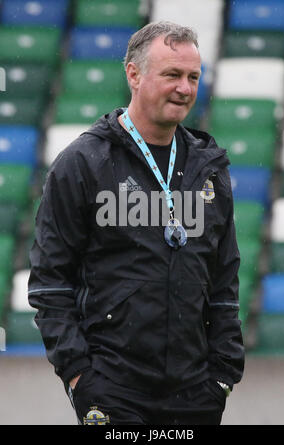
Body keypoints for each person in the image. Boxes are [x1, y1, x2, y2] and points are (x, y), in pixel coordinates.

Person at [28, 21, 244, 425]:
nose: (184, 88)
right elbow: (50, 283)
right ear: (133, 73)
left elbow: (224, 279)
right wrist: (80, 376)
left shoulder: (209, 168)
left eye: (193, 77)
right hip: (112, 390)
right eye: (172, 75)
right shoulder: (82, 164)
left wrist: (222, 375)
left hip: (196, 391)